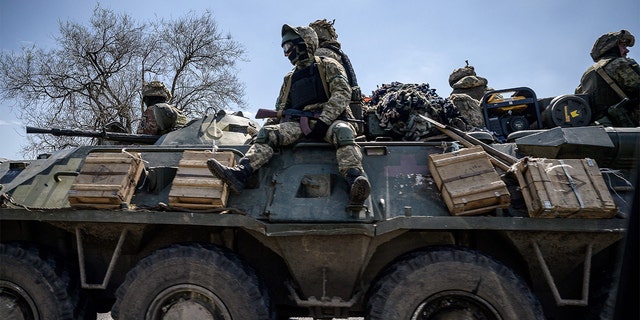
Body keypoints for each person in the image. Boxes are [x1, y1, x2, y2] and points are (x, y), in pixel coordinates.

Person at [207, 24, 371, 206]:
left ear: (304, 43)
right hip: (299, 123)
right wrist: (263, 131)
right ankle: (240, 173)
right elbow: (281, 108)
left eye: (289, 46)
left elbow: (342, 93)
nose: (287, 52)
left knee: (343, 133)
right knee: (269, 134)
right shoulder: (290, 78)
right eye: (284, 48)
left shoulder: (328, 65)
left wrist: (324, 120)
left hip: (331, 120)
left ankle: (355, 181)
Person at [575, 30, 640, 127]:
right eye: (623, 46)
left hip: (603, 132)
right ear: (612, 47)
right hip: (628, 127)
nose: (627, 50)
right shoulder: (619, 64)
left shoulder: (587, 74)